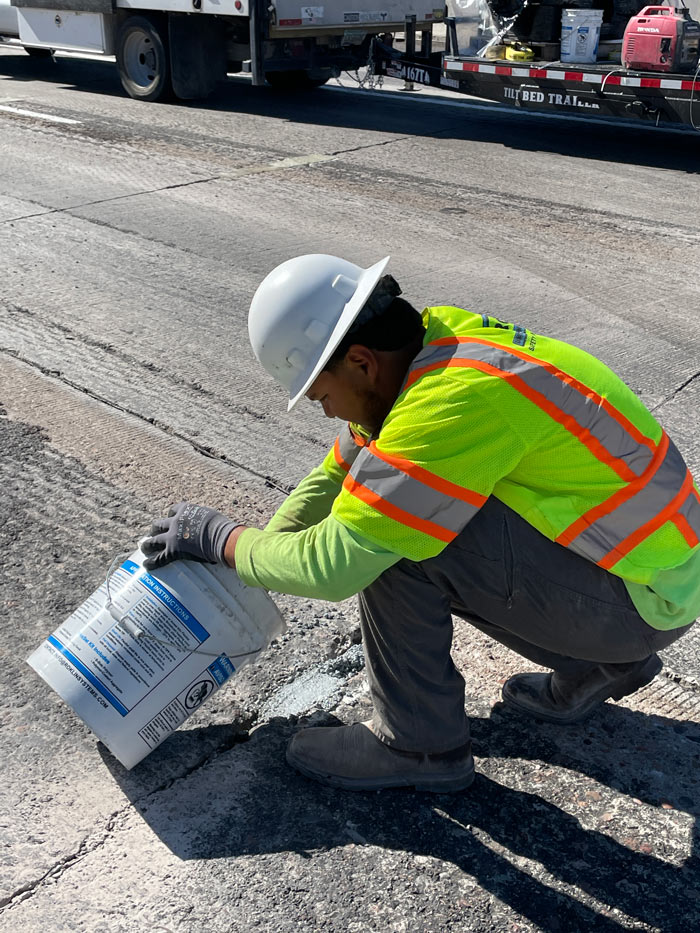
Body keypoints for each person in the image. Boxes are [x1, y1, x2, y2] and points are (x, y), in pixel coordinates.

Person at [142, 254, 700, 794]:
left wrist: (220, 538)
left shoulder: (449, 405)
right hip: (653, 577)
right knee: (393, 502)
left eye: (321, 395)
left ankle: (418, 745)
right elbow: (342, 464)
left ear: (361, 363)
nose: (328, 411)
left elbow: (333, 567)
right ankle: (600, 665)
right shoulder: (437, 345)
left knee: (394, 539)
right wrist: (259, 551)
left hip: (640, 600)